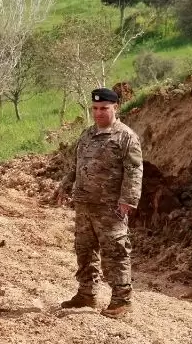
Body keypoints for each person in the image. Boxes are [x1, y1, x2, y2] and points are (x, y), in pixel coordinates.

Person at [55, 87, 143, 318]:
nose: (99, 113)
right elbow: (76, 165)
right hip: (84, 204)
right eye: (95, 108)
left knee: (115, 252)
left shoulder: (126, 137)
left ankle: (122, 301)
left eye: (104, 108)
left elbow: (134, 171)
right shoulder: (87, 135)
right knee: (84, 251)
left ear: (115, 108)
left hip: (110, 207)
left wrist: (128, 200)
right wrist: (65, 185)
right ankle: (87, 293)